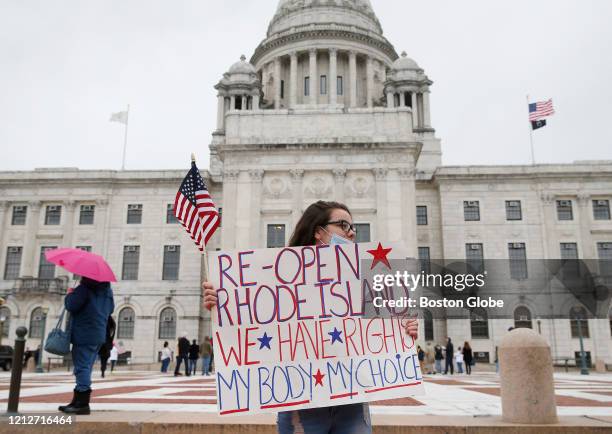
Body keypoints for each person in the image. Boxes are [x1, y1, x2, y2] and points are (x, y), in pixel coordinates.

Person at [202, 200, 419, 434]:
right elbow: (256, 325)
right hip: (301, 405)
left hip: (352, 404)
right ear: (319, 231)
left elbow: (378, 336)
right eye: (344, 225)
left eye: (353, 226)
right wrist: (223, 303)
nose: (352, 232)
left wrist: (403, 331)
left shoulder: (366, 276)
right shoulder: (279, 278)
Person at [59, 277, 114, 415]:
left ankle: (82, 404)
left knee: (82, 367)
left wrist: (70, 294)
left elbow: (71, 306)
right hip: (99, 334)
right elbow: (111, 309)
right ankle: (77, 401)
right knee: (86, 367)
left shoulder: (83, 289)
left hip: (84, 333)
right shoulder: (107, 291)